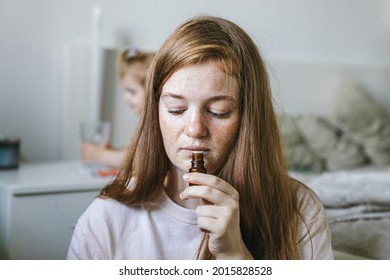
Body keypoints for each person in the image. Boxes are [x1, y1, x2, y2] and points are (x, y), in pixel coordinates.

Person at [68, 16, 333, 260]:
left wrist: (236, 257)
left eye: (219, 112)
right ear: (156, 112)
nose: (195, 129)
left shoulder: (300, 212)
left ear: (248, 118)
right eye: (177, 109)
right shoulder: (105, 220)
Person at [80, 48, 155, 167]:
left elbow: (140, 159)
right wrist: (112, 152)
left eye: (132, 91)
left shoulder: (156, 125)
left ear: (153, 91)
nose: (126, 97)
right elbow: (136, 152)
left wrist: (98, 155)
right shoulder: (147, 123)